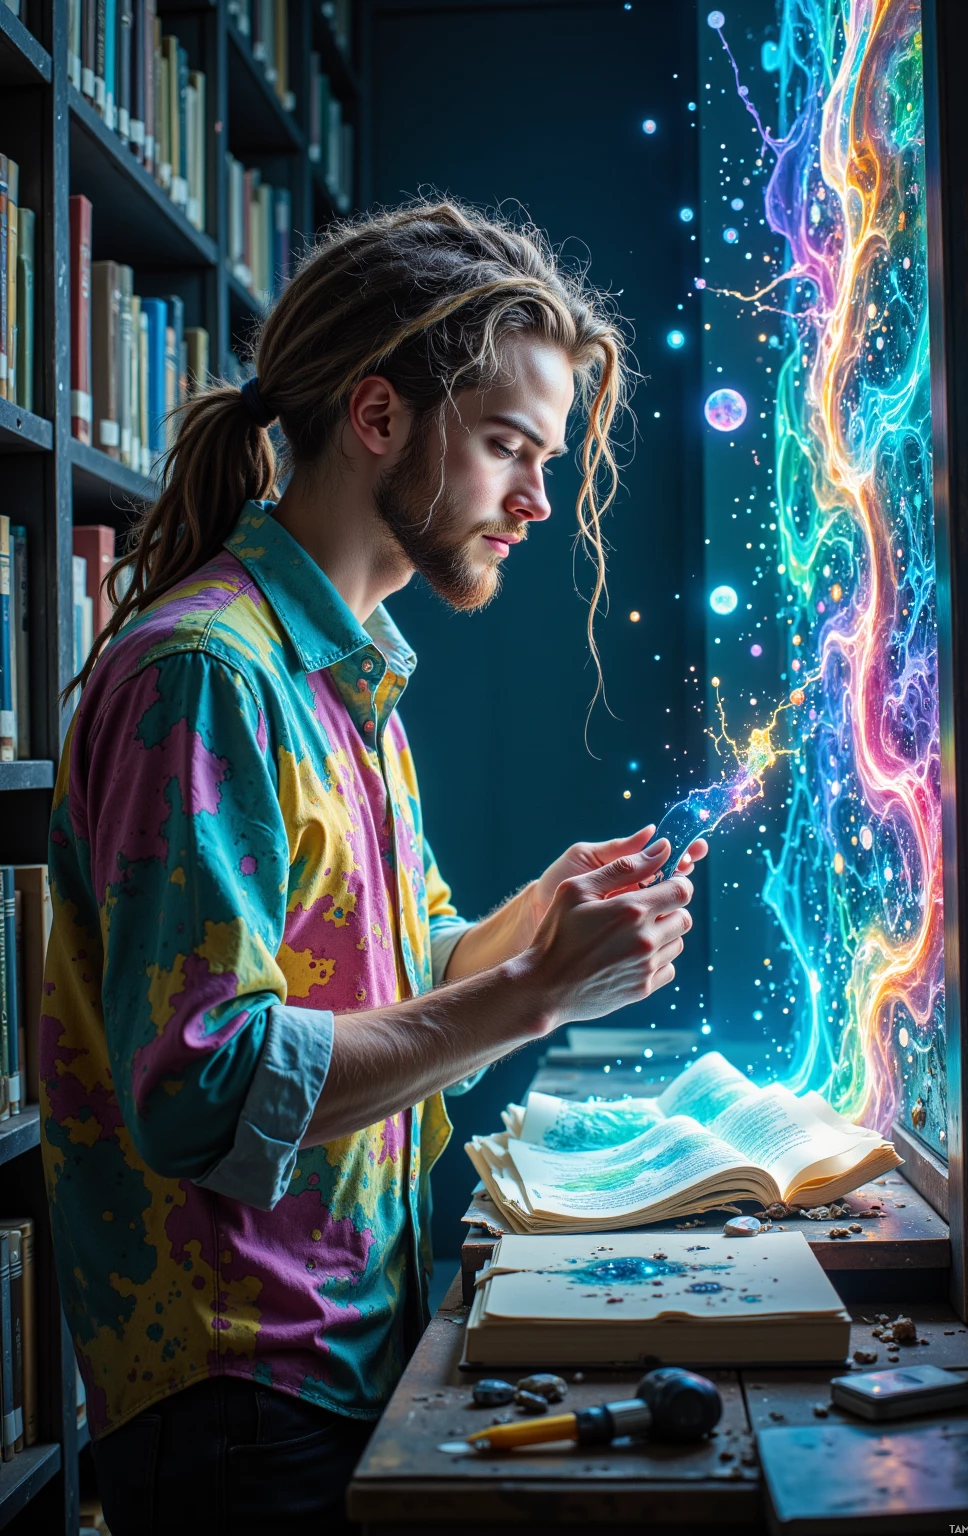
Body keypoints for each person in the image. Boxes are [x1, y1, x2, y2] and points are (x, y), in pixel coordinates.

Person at [40, 200, 707, 1533]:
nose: (535, 501)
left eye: (546, 457)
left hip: (336, 1357)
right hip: (240, 1392)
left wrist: (529, 934)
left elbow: (389, 973)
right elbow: (204, 1090)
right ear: (381, 417)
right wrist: (526, 999)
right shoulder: (207, 677)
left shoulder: (348, 672)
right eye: (509, 447)